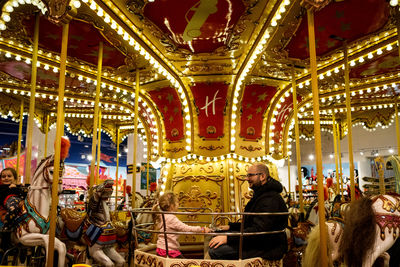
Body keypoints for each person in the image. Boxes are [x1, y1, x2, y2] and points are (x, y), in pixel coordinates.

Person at [208, 163, 288, 260]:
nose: (246, 178)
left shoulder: (270, 199)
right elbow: (252, 224)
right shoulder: (262, 195)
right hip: (259, 242)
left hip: (268, 246)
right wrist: (230, 227)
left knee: (217, 251)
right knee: (215, 236)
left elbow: (259, 231)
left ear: (262, 176)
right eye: (247, 175)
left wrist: (228, 238)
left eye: (250, 175)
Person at [155, 192, 210, 258]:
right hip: (169, 250)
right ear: (172, 205)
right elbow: (186, 228)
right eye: (177, 202)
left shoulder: (162, 215)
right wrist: (202, 229)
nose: (179, 204)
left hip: (160, 248)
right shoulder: (171, 218)